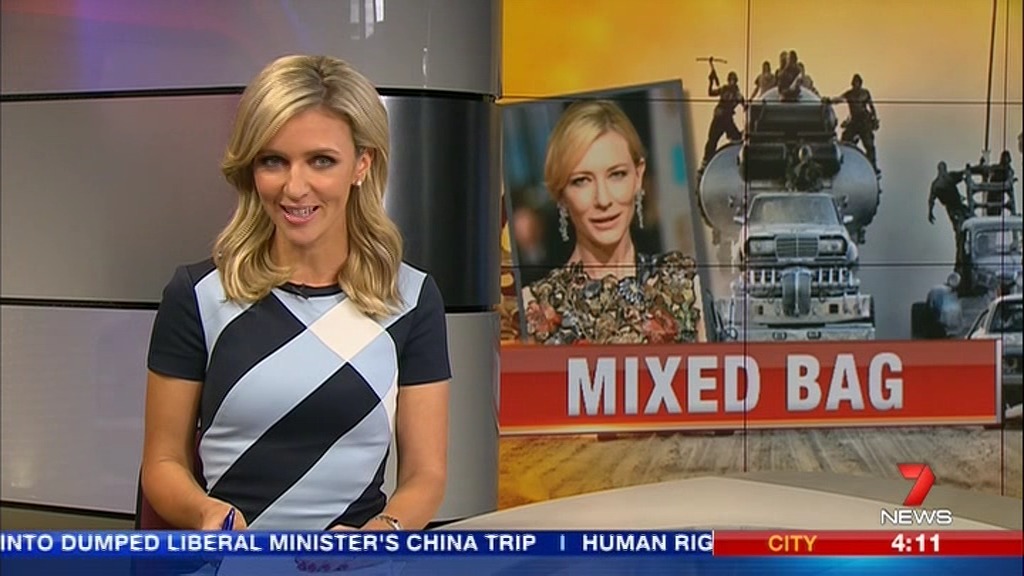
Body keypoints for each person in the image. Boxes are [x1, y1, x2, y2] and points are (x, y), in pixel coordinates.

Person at [140, 55, 451, 533]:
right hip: (233, 559)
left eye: (321, 161)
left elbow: (425, 475)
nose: (295, 187)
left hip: (356, 562)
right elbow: (162, 463)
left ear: (362, 164)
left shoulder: (411, 299)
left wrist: (381, 533)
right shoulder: (198, 296)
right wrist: (209, 514)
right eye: (274, 161)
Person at [520, 100, 703, 345]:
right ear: (560, 193)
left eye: (617, 175)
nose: (603, 200)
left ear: (638, 176)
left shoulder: (686, 289)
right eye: (582, 180)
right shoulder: (531, 310)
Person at [928, 161, 970, 266]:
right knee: (960, 231)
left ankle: (963, 255)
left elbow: (962, 173)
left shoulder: (947, 178)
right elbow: (931, 200)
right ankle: (960, 259)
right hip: (953, 209)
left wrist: (968, 171)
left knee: (968, 224)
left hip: (959, 207)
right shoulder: (938, 183)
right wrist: (930, 212)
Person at [835, 74, 879, 172]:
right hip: (854, 121)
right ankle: (842, 161)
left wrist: (874, 119)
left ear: (860, 84)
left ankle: (873, 166)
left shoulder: (865, 93)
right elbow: (839, 99)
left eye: (857, 83)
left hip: (864, 121)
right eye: (854, 84)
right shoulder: (849, 94)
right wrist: (829, 101)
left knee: (869, 145)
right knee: (845, 140)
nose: (856, 86)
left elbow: (871, 107)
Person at [702, 70, 745, 166]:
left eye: (733, 80)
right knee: (712, 140)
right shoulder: (724, 89)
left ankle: (738, 158)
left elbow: (745, 106)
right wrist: (711, 81)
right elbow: (711, 93)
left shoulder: (737, 94)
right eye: (730, 80)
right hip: (719, 117)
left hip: (726, 119)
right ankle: (705, 161)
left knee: (737, 138)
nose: (731, 82)